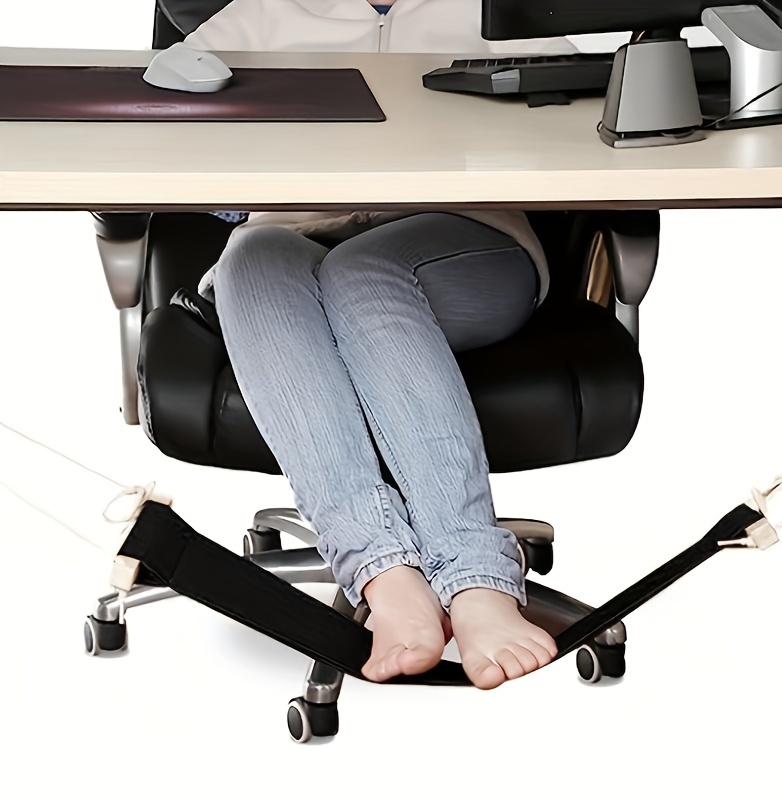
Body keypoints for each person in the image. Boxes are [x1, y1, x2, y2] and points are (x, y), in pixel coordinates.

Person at [186, 0, 576, 689]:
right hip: (294, 232)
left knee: (362, 273)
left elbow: (609, 89)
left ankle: (476, 577)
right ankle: (386, 574)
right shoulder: (260, 12)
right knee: (249, 258)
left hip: (459, 233)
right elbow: (159, 108)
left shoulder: (494, 6)